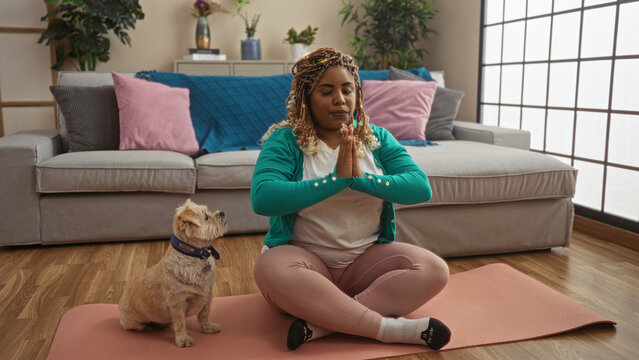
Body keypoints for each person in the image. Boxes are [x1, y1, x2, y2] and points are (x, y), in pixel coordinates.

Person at [250, 47, 451, 351]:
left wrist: (358, 180)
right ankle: (388, 329)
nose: (340, 99)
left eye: (347, 90)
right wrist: (335, 181)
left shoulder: (377, 138)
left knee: (434, 270)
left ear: (357, 94)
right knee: (269, 269)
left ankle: (323, 323)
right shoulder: (286, 140)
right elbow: (263, 197)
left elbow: (419, 187)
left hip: (364, 264)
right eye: (326, 91)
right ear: (307, 97)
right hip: (303, 261)